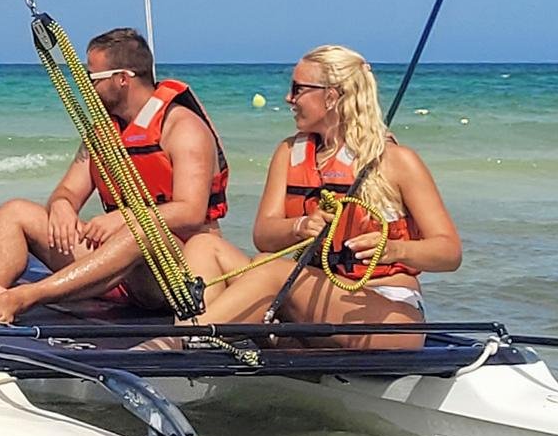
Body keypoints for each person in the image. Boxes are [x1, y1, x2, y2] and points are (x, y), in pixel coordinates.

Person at [179, 44, 461, 349]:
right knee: (204, 245)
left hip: (387, 312)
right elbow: (264, 235)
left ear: (331, 96)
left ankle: (177, 345)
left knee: (273, 273)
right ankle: (201, 343)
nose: (289, 98)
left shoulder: (394, 161)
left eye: (298, 89)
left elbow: (449, 252)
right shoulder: (289, 153)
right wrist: (300, 226)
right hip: (311, 300)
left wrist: (392, 250)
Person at [0, 27, 229, 324]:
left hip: (176, 273)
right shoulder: (104, 133)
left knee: (146, 232)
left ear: (123, 79)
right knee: (13, 212)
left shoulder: (183, 128)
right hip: (120, 269)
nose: (86, 88)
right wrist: (61, 206)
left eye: (91, 78)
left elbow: (191, 212)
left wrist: (123, 218)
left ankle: (29, 295)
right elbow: (68, 190)